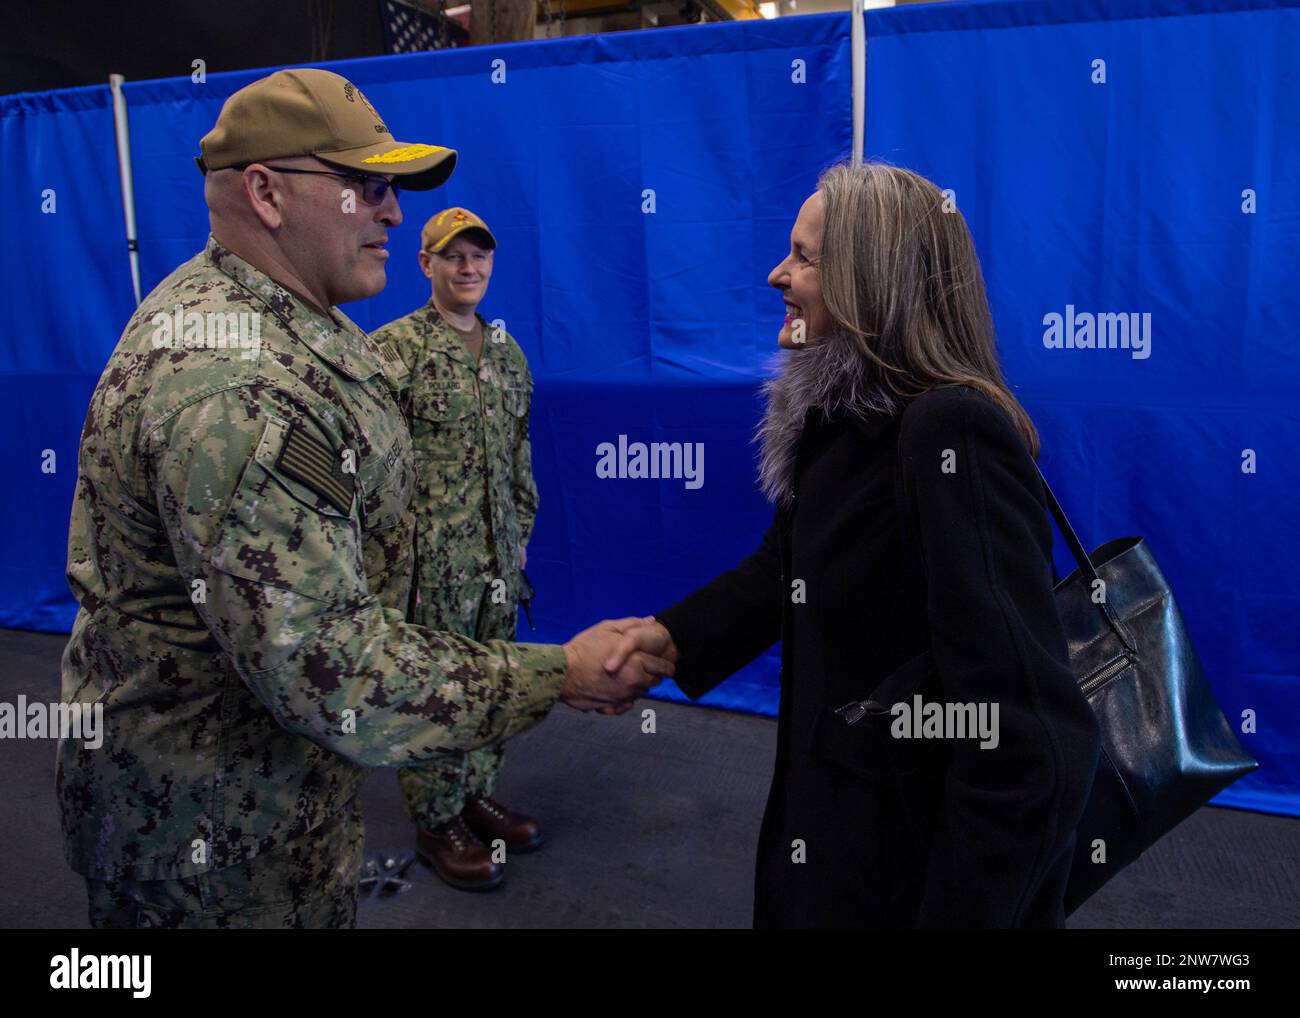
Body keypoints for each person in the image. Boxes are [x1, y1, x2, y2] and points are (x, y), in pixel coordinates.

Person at [58, 67, 672, 930]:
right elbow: (328, 671)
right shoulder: (233, 390)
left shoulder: (304, 319)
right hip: (212, 845)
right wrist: (557, 674)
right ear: (267, 192)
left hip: (279, 805)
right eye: (365, 186)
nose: (391, 211)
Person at [605, 162, 1102, 928]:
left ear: (876, 282)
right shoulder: (841, 424)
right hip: (834, 845)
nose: (779, 274)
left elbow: (1032, 744)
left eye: (806, 257)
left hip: (903, 877)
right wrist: (669, 640)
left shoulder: (950, 433)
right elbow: (786, 571)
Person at [371, 207, 543, 890]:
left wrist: (520, 532)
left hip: (498, 560)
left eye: (479, 257)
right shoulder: (394, 351)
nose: (468, 269)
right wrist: (394, 558)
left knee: (493, 684)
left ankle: (474, 792)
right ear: (426, 265)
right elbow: (371, 467)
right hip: (429, 570)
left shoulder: (506, 351)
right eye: (453, 257)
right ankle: (437, 818)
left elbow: (518, 450)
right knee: (436, 693)